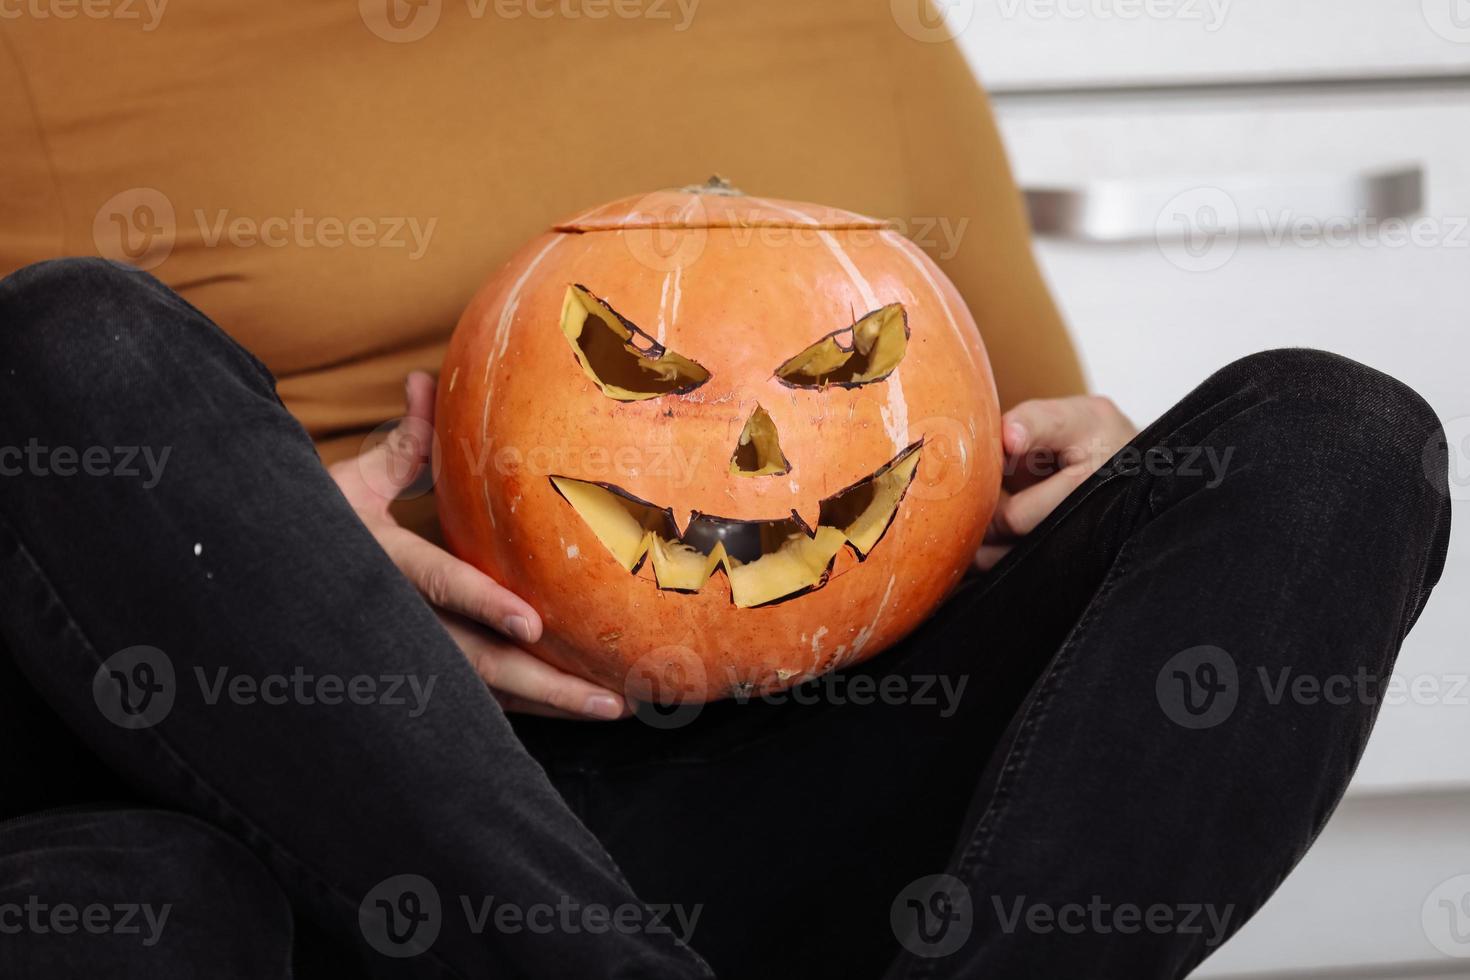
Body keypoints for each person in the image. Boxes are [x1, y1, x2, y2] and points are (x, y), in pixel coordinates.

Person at [0, 2, 1451, 978]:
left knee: (1332, 434)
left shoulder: (844, 19)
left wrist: (1082, 475)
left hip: (818, 765)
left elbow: (1014, 446)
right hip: (330, 788)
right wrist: (291, 571)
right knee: (67, 339)